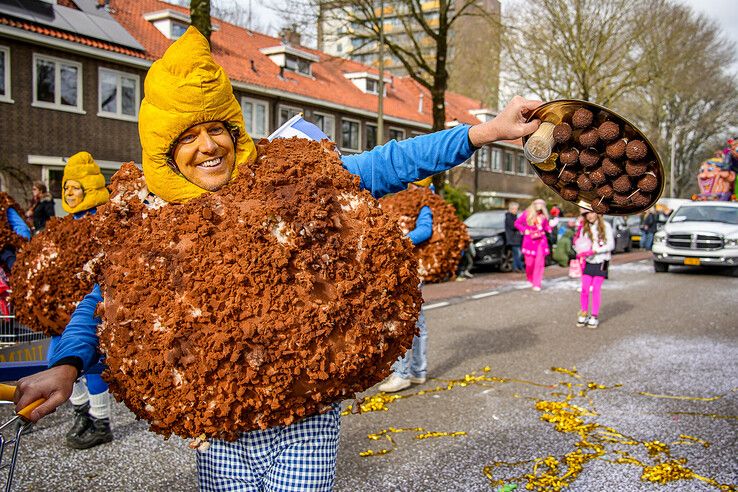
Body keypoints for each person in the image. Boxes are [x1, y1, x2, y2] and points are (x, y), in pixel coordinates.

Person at [13, 27, 542, 491]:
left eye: (215, 127)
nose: (209, 146)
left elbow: (390, 163)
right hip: (219, 423)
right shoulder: (145, 220)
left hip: (304, 411)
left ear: (232, 126)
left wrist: (484, 132)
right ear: (163, 150)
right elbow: (105, 299)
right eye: (188, 136)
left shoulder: (287, 175)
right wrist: (66, 364)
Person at [52, 151, 114, 449]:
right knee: (60, 357)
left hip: (91, 301)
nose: (69, 194)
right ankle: (81, 413)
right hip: (62, 308)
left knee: (94, 363)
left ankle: (100, 420)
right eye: (66, 188)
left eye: (74, 187)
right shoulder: (60, 226)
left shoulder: (105, 221)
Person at [378, 179, 433, 393]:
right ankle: (418, 371)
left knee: (401, 319)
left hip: (410, 270)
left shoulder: (424, 201)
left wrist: (398, 240)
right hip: (411, 268)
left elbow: (425, 230)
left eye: (412, 184)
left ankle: (401, 374)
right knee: (417, 321)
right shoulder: (421, 199)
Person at [575, 210, 614, 328]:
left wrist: (595, 250)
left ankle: (594, 316)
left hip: (603, 261)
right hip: (588, 261)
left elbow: (611, 245)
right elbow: (580, 243)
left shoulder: (606, 226)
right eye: (587, 214)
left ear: (598, 213)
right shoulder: (584, 228)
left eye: (592, 213)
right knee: (585, 289)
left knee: (596, 288)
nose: (590, 216)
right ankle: (584, 313)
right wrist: (580, 252)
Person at [514, 199, 551, 291]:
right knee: (530, 263)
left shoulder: (544, 216)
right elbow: (517, 223)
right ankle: (530, 277)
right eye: (538, 204)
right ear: (534, 205)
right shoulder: (527, 213)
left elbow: (546, 226)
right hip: (529, 241)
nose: (540, 206)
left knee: (539, 263)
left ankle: (537, 283)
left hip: (541, 241)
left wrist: (550, 228)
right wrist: (524, 230)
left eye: (542, 205)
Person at [504, 201, 524, 273]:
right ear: (510, 209)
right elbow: (513, 226)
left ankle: (516, 267)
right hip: (513, 239)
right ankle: (519, 268)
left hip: (517, 239)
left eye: (517, 209)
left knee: (517, 254)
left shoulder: (514, 216)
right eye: (515, 209)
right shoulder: (509, 217)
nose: (516, 211)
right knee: (517, 254)